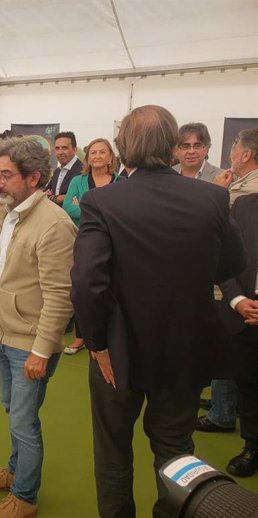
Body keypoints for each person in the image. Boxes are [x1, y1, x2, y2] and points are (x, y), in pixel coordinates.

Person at [71, 105, 245, 518]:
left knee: (113, 450)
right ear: (172, 146)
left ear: (121, 149)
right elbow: (231, 266)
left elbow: (87, 282)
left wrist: (95, 343)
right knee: (176, 451)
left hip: (116, 350)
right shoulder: (213, 197)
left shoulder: (100, 201)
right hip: (184, 349)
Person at [0, 136, 75, 518]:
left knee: (23, 419)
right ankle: (16, 470)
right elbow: (1, 273)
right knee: (13, 410)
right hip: (6, 333)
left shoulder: (55, 225)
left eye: (6, 175)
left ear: (33, 178)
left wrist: (41, 349)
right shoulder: (9, 214)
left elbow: (60, 295)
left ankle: (25, 495)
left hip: (31, 343)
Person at [62, 138, 119, 355]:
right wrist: (105, 213)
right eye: (93, 152)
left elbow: (122, 212)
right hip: (83, 241)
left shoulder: (120, 181)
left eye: (102, 152)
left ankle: (109, 336)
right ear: (88, 158)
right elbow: (69, 207)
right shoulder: (78, 180)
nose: (97, 156)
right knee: (82, 287)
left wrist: (85, 205)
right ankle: (81, 336)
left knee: (110, 287)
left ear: (110, 157)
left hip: (114, 244)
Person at [218, 193, 258, 478]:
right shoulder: (244, 205)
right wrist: (237, 300)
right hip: (245, 313)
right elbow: (223, 257)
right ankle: (252, 446)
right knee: (249, 385)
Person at [214, 127, 258, 205]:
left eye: (234, 149)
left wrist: (216, 189)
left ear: (246, 156)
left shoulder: (244, 191)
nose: (230, 156)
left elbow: (208, 211)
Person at [44, 131, 83, 206]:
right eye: (57, 148)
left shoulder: (83, 171)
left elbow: (83, 196)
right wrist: (55, 197)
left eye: (64, 148)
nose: (60, 152)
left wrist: (63, 198)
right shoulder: (57, 171)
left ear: (74, 150)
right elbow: (45, 193)